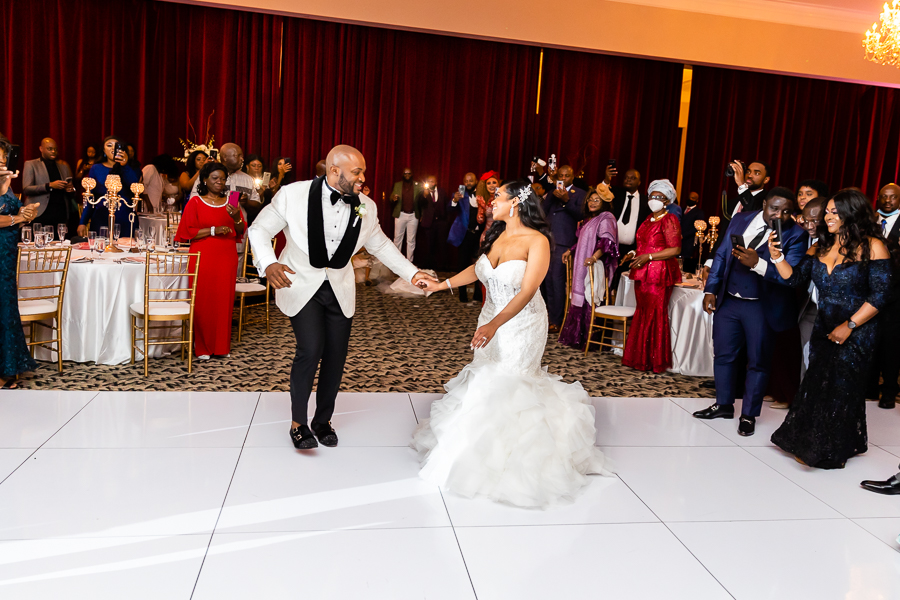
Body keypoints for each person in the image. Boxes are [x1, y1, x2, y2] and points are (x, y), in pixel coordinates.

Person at [414, 180, 608, 507]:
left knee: (513, 382)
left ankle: (520, 459)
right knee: (487, 377)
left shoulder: (539, 241)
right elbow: (478, 271)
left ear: (516, 203)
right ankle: (481, 449)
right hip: (491, 319)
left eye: (497, 197)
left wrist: (494, 324)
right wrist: (438, 285)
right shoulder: (498, 234)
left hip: (522, 323)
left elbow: (527, 291)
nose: (491, 202)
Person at [247, 145, 434, 450]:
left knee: (335, 356)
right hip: (301, 283)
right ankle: (298, 423)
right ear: (335, 171)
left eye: (363, 171)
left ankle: (323, 421)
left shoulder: (367, 206)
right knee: (310, 349)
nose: (363, 177)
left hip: (339, 288)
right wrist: (267, 263)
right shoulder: (293, 194)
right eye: (357, 171)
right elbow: (259, 230)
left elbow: (382, 246)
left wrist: (413, 274)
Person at [768, 189, 892, 468]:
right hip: (824, 326)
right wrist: (777, 258)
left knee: (842, 387)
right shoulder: (820, 246)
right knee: (817, 383)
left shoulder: (873, 247)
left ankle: (828, 450)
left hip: (858, 330)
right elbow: (794, 279)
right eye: (827, 212)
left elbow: (880, 296)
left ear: (853, 213)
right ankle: (809, 438)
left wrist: (849, 326)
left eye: (834, 212)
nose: (828, 217)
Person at [693, 188, 808, 436]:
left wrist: (758, 263)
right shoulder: (740, 219)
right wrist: (711, 289)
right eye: (775, 209)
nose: (780, 215)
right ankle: (724, 404)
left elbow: (791, 278)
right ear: (764, 204)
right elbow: (722, 255)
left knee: (758, 361)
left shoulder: (796, 235)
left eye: (787, 211)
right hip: (730, 300)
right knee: (723, 354)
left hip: (761, 306)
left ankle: (748, 415)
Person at [175, 162, 246, 360]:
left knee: (224, 300)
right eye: (215, 178)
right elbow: (187, 232)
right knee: (203, 300)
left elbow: (240, 230)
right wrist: (214, 230)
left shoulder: (231, 202)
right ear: (205, 180)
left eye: (223, 179)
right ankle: (203, 347)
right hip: (202, 255)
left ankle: (222, 346)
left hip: (226, 255)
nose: (219, 182)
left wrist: (236, 217)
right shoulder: (195, 202)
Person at [620, 180, 682, 373]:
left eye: (659, 197)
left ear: (667, 201)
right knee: (643, 312)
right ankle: (639, 357)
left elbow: (675, 249)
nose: (654, 200)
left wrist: (649, 256)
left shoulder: (670, 219)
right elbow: (644, 244)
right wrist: (633, 253)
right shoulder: (649, 219)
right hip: (643, 272)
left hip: (659, 274)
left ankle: (653, 360)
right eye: (652, 196)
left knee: (655, 314)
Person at [558, 184, 619, 349]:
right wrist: (570, 251)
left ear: (604, 202)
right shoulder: (588, 220)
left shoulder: (607, 218)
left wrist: (594, 257)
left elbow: (606, 242)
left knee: (591, 297)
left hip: (595, 266)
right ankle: (579, 337)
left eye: (597, 200)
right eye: (590, 200)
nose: (592, 203)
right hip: (583, 264)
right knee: (581, 296)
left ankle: (591, 340)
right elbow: (581, 242)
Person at [0, 138, 38, 388]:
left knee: (6, 308)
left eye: (3, 160)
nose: (2, 164)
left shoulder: (6, 182)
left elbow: (13, 214)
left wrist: (27, 214)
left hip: (7, 253)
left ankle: (8, 365)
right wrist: (16, 218)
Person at [867, 183, 900, 408]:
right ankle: (868, 388)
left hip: (897, 293)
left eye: (893, 197)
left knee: (891, 343)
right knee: (869, 340)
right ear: (877, 198)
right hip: (868, 291)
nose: (888, 201)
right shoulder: (868, 221)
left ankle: (889, 391)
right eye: (884, 197)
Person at [542, 165, 586, 332]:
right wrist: (553, 195)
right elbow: (543, 211)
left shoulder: (579, 194)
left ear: (572, 177)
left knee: (557, 280)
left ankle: (557, 320)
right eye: (560, 175)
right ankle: (551, 316)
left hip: (564, 242)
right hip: (548, 241)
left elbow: (581, 215)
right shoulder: (553, 192)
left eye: (567, 176)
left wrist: (566, 200)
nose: (563, 178)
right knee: (547, 280)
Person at [77, 135, 140, 235]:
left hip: (125, 217)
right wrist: (83, 222)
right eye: (109, 145)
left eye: (116, 146)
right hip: (101, 216)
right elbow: (90, 197)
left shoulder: (131, 167)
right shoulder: (96, 168)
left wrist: (124, 165)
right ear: (104, 150)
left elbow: (134, 186)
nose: (113, 148)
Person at [22, 137, 77, 235]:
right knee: (37, 245)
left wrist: (70, 190)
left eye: (55, 149)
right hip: (39, 212)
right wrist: (49, 185)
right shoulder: (31, 164)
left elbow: (71, 192)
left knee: (60, 245)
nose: (53, 151)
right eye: (50, 149)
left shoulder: (64, 166)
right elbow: (26, 189)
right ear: (41, 149)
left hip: (61, 213)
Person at [448, 172, 485, 303]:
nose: (468, 183)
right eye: (466, 181)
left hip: (480, 236)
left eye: (471, 180)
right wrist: (454, 201)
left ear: (476, 181)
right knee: (462, 266)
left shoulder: (483, 194)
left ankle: (477, 294)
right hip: (465, 235)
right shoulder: (459, 195)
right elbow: (450, 209)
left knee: (479, 265)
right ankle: (462, 295)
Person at [415, 175, 449, 270]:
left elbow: (446, 205)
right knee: (429, 245)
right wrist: (425, 195)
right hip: (429, 222)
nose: (431, 183)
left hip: (441, 222)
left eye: (432, 181)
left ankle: (442, 266)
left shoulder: (442, 191)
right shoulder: (422, 193)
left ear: (436, 183)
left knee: (442, 245)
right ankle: (429, 266)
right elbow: (419, 204)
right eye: (429, 181)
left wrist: (446, 220)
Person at [390, 167, 422, 261]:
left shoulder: (417, 185)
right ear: (403, 175)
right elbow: (391, 197)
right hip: (400, 215)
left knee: (411, 241)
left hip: (413, 215)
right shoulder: (398, 185)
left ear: (412, 175)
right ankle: (396, 262)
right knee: (397, 239)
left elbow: (422, 201)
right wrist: (393, 198)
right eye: (405, 174)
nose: (407, 175)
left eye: (409, 173)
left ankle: (409, 263)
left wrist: (422, 215)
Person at [680, 191, 706, 273]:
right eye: (690, 197)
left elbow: (696, 228)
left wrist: (683, 235)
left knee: (686, 265)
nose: (691, 199)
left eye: (693, 198)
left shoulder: (699, 212)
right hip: (677, 241)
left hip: (689, 243)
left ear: (697, 200)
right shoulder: (681, 209)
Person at [476, 171, 500, 241]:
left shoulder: (504, 198)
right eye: (488, 183)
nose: (491, 185)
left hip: (501, 235)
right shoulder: (484, 200)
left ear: (498, 184)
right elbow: (480, 221)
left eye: (494, 182)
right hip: (487, 235)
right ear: (485, 186)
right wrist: (481, 209)